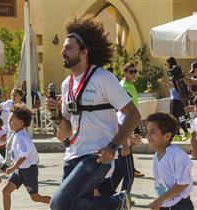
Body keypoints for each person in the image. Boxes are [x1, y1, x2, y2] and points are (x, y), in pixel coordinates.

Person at [47, 15, 141, 210]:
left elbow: (134, 115)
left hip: (96, 156)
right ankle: (115, 201)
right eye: (63, 47)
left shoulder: (103, 78)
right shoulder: (67, 85)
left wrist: (113, 147)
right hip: (72, 155)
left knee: (59, 205)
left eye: (69, 47)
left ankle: (118, 203)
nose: (63, 51)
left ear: (84, 52)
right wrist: (56, 115)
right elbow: (67, 132)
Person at [2, 106, 51, 210]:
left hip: (29, 171)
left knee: (36, 198)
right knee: (5, 191)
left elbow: (24, 155)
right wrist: (14, 165)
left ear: (21, 123)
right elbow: (18, 154)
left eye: (11, 120)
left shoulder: (22, 137)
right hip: (20, 170)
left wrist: (13, 168)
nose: (9, 122)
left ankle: (62, 204)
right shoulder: (16, 135)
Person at [146, 112, 194, 210]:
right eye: (147, 131)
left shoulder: (176, 155)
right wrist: (161, 200)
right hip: (165, 203)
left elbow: (183, 183)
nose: (148, 135)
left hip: (180, 205)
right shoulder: (156, 156)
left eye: (153, 132)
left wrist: (160, 200)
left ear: (167, 136)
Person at [119, 63, 144, 177]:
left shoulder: (129, 84)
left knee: (133, 141)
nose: (134, 74)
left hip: (131, 117)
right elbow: (123, 106)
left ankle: (125, 165)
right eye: (131, 72)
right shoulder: (124, 86)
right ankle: (129, 168)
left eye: (135, 71)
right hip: (126, 117)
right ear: (124, 73)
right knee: (129, 142)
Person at [159, 57, 189, 141]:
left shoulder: (174, 74)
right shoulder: (175, 73)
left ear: (170, 63)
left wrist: (166, 82)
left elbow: (175, 87)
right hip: (177, 98)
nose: (166, 65)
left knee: (174, 117)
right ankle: (182, 134)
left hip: (175, 98)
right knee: (179, 117)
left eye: (166, 63)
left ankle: (180, 134)